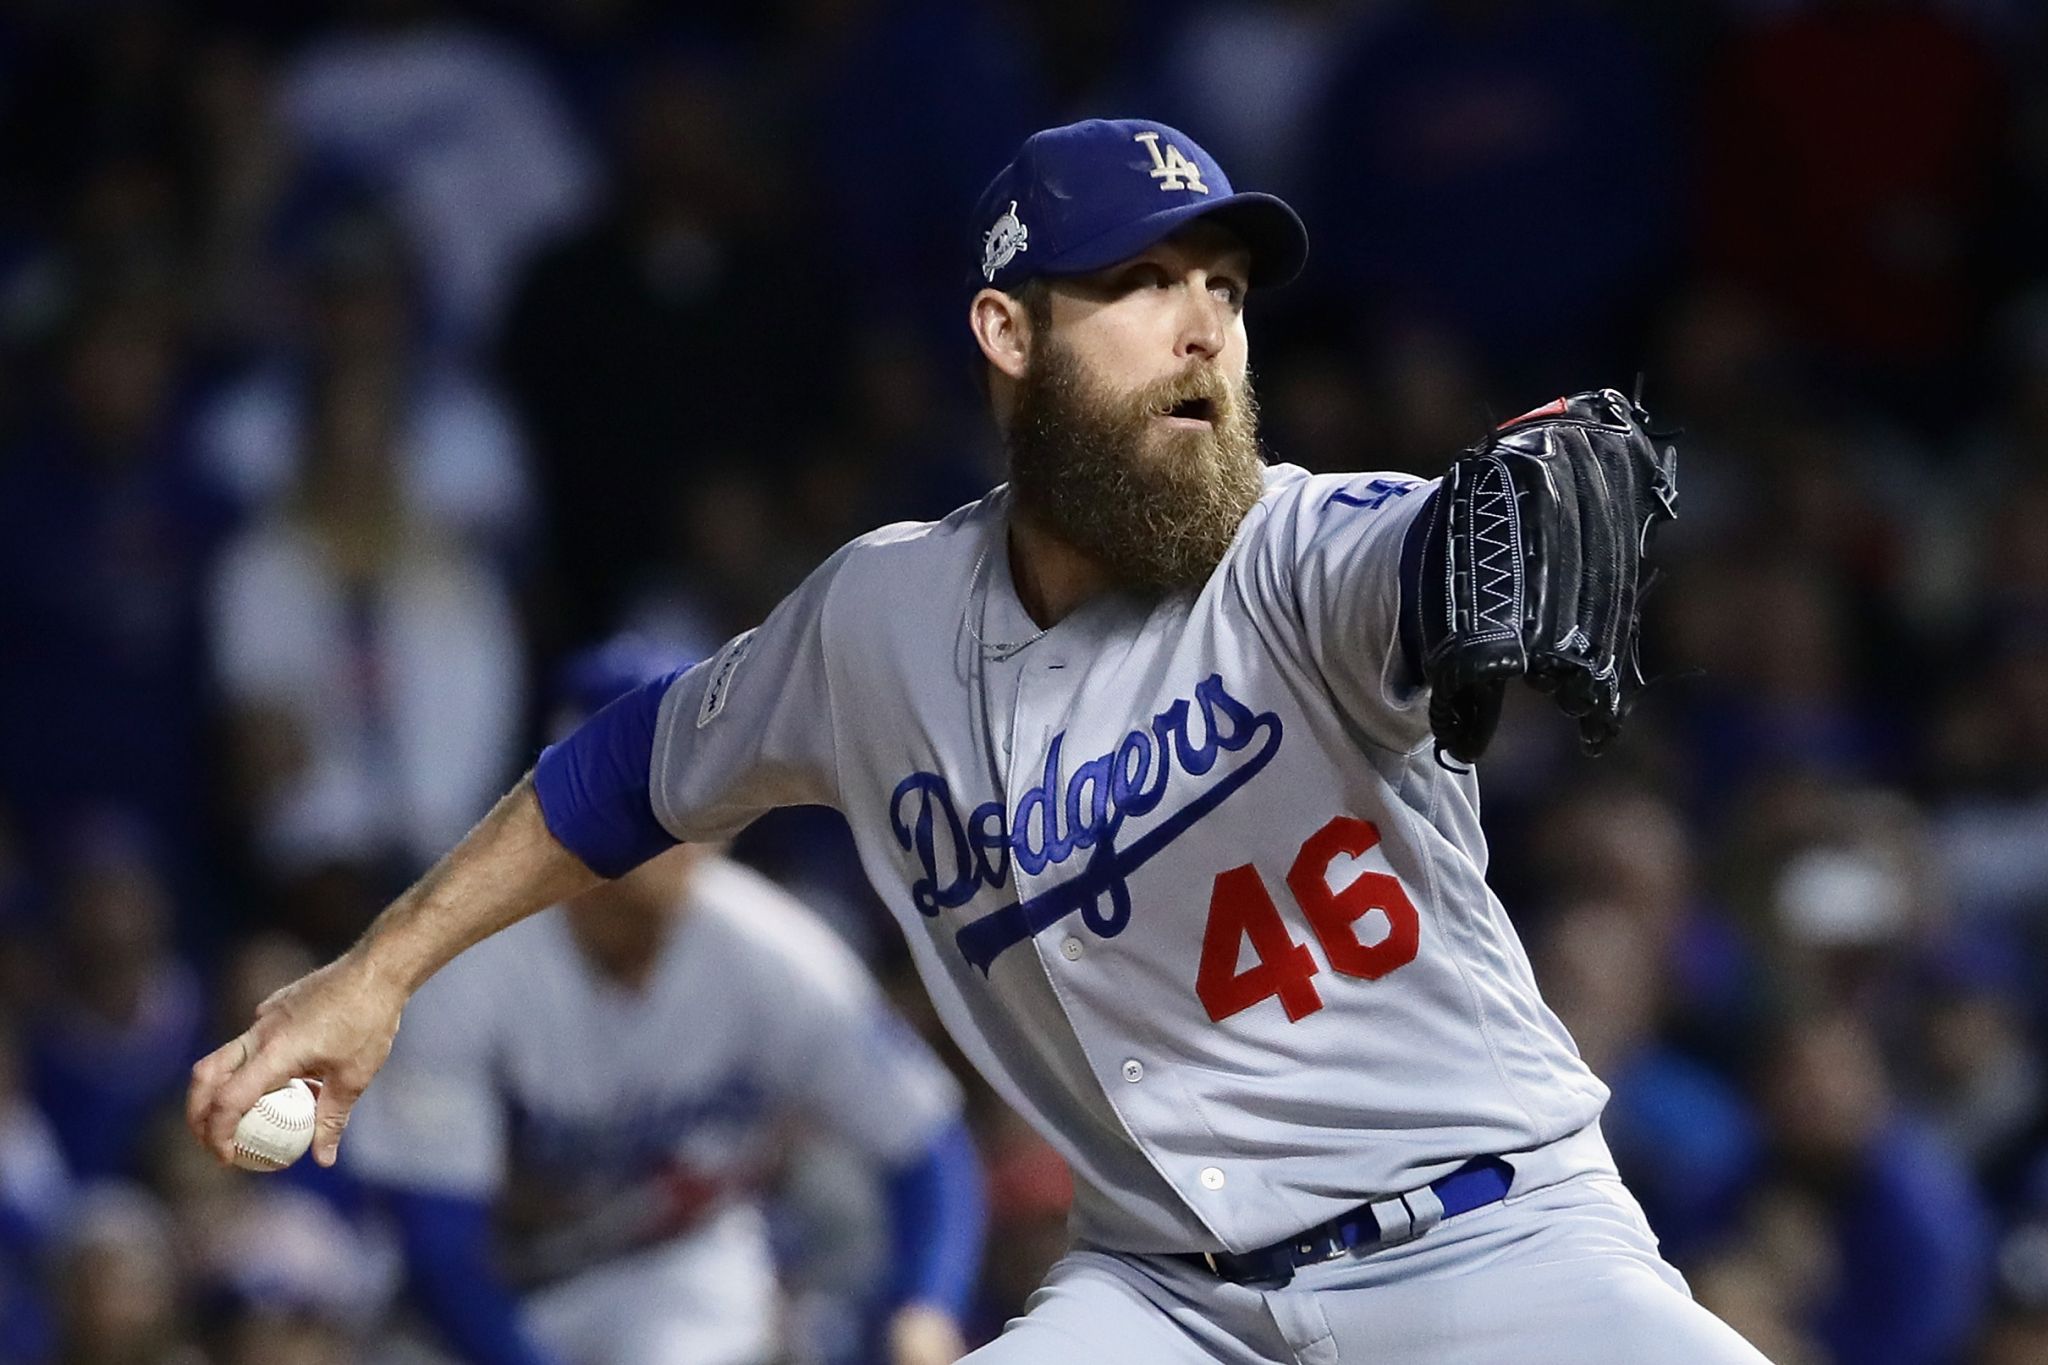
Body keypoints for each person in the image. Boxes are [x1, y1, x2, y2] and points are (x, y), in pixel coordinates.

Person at [190, 118, 1768, 1363]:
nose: (1204, 329)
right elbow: (622, 771)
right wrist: (374, 973)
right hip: (1166, 1302)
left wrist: (1455, 559)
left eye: (1223, 286)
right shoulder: (875, 621)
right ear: (1008, 333)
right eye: (1144, 285)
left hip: (1491, 1256)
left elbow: (1412, 559)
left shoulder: (1304, 555)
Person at [342, 641, 984, 1365]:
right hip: (490, 1296)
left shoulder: (771, 950)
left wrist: (924, 1309)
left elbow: (925, 1144)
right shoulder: (467, 960)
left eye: (707, 793)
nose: (688, 824)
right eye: (654, 795)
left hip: (673, 1278)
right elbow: (438, 1249)